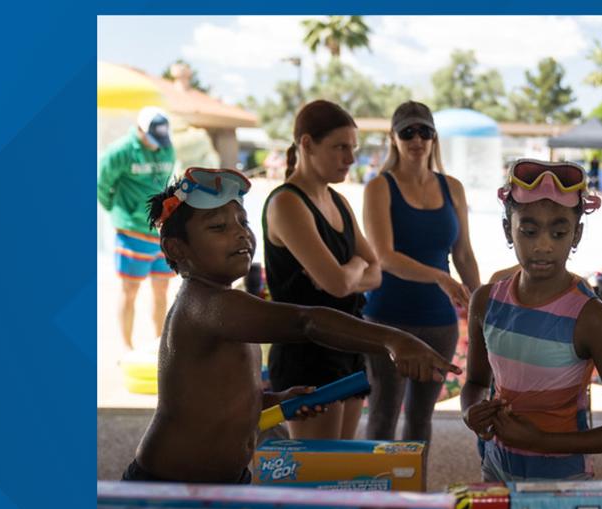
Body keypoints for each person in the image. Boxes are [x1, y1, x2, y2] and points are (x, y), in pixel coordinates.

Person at [124, 167, 459, 484]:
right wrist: (393, 340)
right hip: (169, 482)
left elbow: (213, 400)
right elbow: (306, 321)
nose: (240, 232)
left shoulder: (225, 305)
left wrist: (273, 400)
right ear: (176, 248)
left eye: (242, 221)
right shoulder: (207, 303)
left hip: (223, 481)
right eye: (218, 227)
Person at [461, 159, 602, 481]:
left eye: (559, 232)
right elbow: (476, 383)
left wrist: (543, 442)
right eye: (529, 230)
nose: (544, 245)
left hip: (563, 479)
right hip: (495, 467)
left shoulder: (590, 317)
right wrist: (470, 413)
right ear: (508, 229)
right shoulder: (486, 301)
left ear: (576, 235)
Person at [362, 101, 481, 443]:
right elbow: (384, 256)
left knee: (419, 419)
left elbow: (464, 253)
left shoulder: (452, 188)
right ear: (393, 138)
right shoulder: (379, 187)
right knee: (384, 414)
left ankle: (416, 495)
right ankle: (376, 496)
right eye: (408, 132)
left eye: (424, 132)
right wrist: (440, 277)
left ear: (434, 138)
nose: (417, 140)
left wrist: (483, 303)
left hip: (439, 321)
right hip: (387, 318)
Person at [263, 100, 383, 440]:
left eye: (353, 149)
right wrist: (357, 268)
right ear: (306, 144)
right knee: (316, 475)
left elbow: (376, 272)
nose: (350, 159)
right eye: (340, 148)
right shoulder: (287, 203)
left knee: (341, 472)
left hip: (348, 346)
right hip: (307, 353)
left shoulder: (339, 201)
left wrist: (354, 268)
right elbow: (337, 285)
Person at [97, 106, 177, 351]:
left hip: (162, 233)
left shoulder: (167, 147)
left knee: (162, 290)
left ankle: (160, 344)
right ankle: (126, 347)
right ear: (140, 130)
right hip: (132, 234)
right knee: (130, 290)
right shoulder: (120, 152)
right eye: (152, 139)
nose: (157, 145)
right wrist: (124, 214)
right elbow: (101, 185)